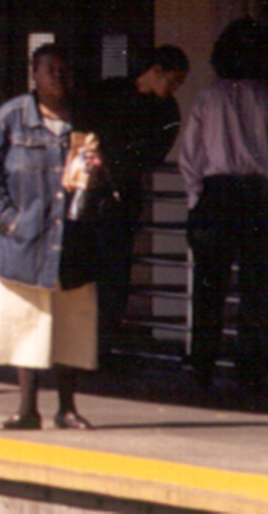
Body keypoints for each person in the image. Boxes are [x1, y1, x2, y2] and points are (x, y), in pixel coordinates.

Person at [0, 43, 100, 431]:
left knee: (70, 329)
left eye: (64, 70)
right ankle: (27, 407)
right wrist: (10, 222)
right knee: (26, 326)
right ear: (35, 75)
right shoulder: (9, 119)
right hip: (26, 244)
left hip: (72, 241)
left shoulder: (85, 121)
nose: (58, 77)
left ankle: (67, 407)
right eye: (50, 70)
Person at [176, 17, 268, 388]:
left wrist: (198, 199)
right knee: (261, 288)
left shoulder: (208, 99)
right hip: (261, 196)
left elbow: (190, 156)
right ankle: (253, 368)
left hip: (216, 194)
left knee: (208, 285)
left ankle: (202, 363)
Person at [85, 42, 190, 349]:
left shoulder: (166, 108)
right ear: (155, 71)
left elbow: (155, 153)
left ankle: (106, 339)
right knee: (91, 265)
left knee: (116, 269)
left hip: (122, 193)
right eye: (173, 80)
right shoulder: (110, 92)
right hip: (98, 190)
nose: (175, 88)